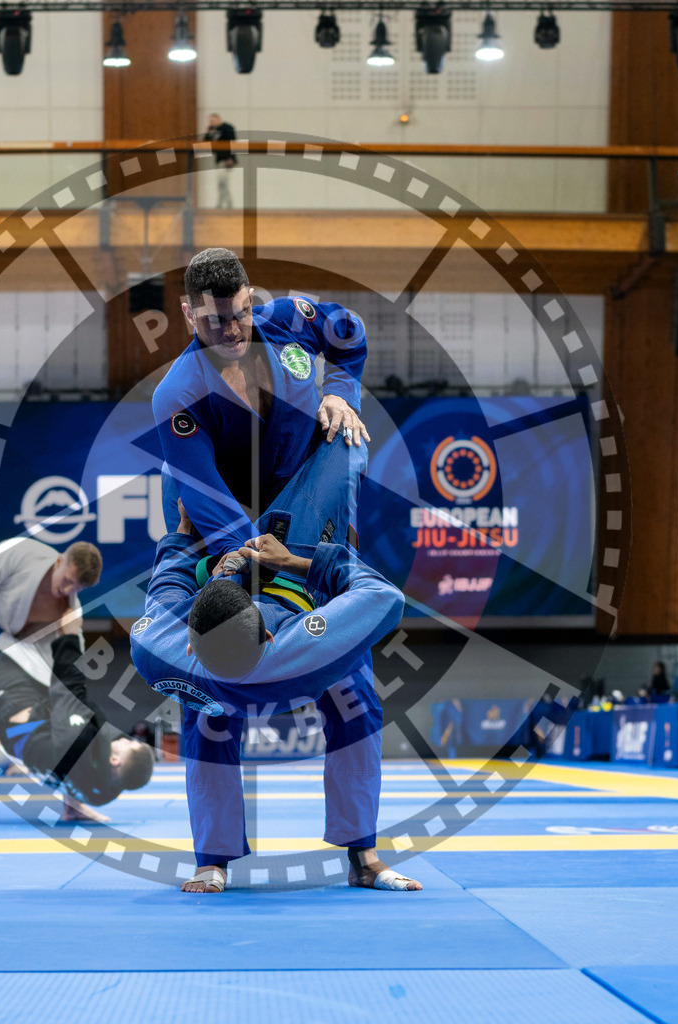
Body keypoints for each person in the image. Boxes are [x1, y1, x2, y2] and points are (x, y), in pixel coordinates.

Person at [131, 488, 419, 895]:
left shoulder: (157, 649)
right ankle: (354, 858)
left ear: (189, 643)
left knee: (352, 704)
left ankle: (360, 857)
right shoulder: (306, 646)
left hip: (251, 644)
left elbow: (166, 587)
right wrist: (303, 562)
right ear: (268, 635)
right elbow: (381, 595)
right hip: (292, 632)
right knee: (355, 697)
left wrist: (183, 537)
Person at [0, 537, 150, 823]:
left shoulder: (69, 608)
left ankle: (72, 804)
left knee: (64, 712)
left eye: (77, 588)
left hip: (7, 642)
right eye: (67, 581)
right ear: (59, 561)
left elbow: (70, 678)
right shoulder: (22, 553)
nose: (68, 590)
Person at [152, 247, 369, 555]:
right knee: (174, 472)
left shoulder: (288, 320)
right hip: (231, 505)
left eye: (240, 314)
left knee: (349, 438)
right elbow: (206, 494)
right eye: (214, 320)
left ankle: (311, 547)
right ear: (189, 315)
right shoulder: (178, 393)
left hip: (302, 490)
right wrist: (253, 556)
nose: (231, 332)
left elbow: (348, 331)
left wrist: (340, 393)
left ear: (251, 300)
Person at [203, 113, 237, 209]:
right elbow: (205, 141)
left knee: (222, 182)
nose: (212, 123)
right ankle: (225, 203)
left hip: (226, 159)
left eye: (213, 121)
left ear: (219, 119)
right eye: (210, 121)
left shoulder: (227, 128)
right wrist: (209, 132)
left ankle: (224, 204)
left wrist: (231, 158)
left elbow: (232, 144)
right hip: (219, 160)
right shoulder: (213, 130)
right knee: (221, 183)